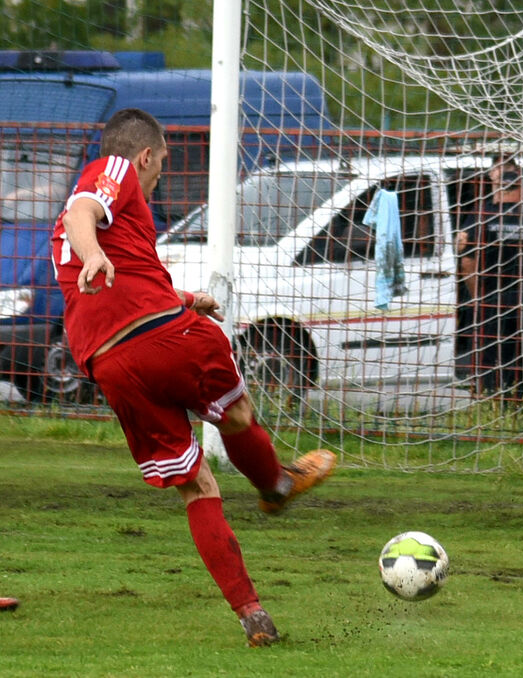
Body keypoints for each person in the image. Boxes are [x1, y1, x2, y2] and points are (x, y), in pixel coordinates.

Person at [50, 108, 337, 647]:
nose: (160, 172)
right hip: (166, 341)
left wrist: (181, 296)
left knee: (197, 485)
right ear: (142, 156)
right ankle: (275, 483)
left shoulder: (82, 231)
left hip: (112, 365)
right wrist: (94, 255)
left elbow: (113, 274)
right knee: (236, 414)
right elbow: (83, 216)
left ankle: (252, 615)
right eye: (161, 160)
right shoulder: (110, 172)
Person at [455, 156, 523, 398]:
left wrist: (476, 296)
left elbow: (468, 259)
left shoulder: (482, 215)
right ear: (522, 188)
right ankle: (522, 400)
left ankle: (491, 398)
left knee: (491, 352)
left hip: (492, 299)